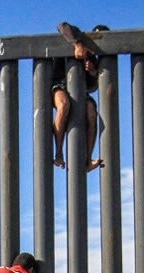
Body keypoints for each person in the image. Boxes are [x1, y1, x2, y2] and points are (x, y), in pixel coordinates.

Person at [52, 22, 108, 173]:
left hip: (79, 91)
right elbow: (62, 26)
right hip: (58, 84)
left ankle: (87, 159)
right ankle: (58, 152)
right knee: (64, 105)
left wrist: (92, 73)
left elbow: (92, 87)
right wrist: (77, 44)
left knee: (91, 111)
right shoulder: (78, 36)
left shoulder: (93, 57)